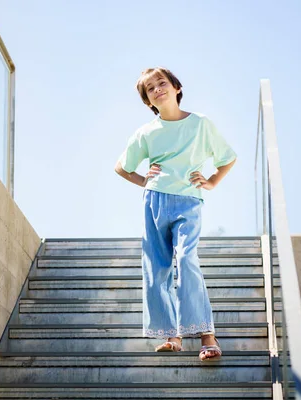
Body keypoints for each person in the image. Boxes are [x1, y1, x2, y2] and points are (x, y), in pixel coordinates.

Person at [114, 67, 237, 361]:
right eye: (151, 89)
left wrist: (211, 182)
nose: (158, 89)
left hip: (188, 201)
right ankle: (173, 336)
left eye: (162, 83)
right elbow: (121, 167)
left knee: (185, 259)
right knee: (157, 269)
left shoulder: (201, 124)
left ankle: (207, 334)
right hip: (155, 200)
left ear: (176, 87)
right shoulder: (145, 132)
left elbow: (227, 158)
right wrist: (144, 180)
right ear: (148, 101)